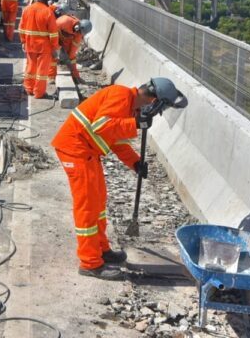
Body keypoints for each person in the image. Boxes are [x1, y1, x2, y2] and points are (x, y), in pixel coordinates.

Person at [50, 77, 181, 280]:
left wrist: (135, 162)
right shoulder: (120, 95)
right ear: (153, 101)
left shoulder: (130, 107)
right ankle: (90, 263)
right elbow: (102, 126)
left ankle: (101, 249)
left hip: (87, 152)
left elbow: (116, 139)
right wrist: (135, 123)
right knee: (87, 207)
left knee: (98, 202)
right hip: (75, 150)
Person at [19, 0, 59, 99]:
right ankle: (39, 93)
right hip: (44, 47)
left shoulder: (27, 9)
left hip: (30, 44)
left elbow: (21, 28)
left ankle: (28, 88)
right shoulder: (48, 12)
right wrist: (55, 48)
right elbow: (53, 33)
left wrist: (23, 41)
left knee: (30, 67)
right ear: (48, 0)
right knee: (42, 71)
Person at [53, 16, 92, 81]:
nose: (78, 33)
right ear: (78, 26)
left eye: (80, 33)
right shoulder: (64, 21)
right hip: (54, 36)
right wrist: (57, 47)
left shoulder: (78, 34)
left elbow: (72, 54)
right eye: (78, 31)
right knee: (53, 56)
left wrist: (76, 74)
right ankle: (51, 77)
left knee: (68, 57)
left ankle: (74, 76)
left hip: (65, 39)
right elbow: (52, 31)